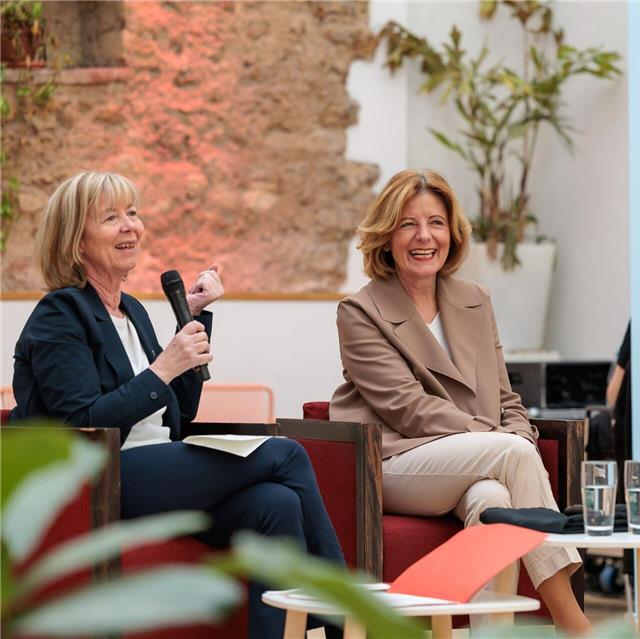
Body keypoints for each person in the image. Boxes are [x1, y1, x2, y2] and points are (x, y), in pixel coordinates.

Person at [10, 171, 345, 639]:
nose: (131, 226)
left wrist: (196, 317)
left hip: (152, 472)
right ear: (75, 240)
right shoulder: (60, 314)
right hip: (99, 481)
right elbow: (81, 423)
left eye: (133, 213)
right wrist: (163, 367)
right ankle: (344, 613)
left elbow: (178, 415)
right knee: (285, 454)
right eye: (111, 217)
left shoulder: (134, 312)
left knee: (276, 502)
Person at [330, 169, 589, 635]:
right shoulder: (360, 311)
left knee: (493, 500)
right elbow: (408, 408)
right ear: (386, 236)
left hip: (475, 462)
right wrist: (504, 441)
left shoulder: (475, 299)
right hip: (393, 463)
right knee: (511, 455)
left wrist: (517, 431)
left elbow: (507, 395)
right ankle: (575, 623)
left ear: (453, 231)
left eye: (436, 222)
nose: (424, 236)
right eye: (408, 224)